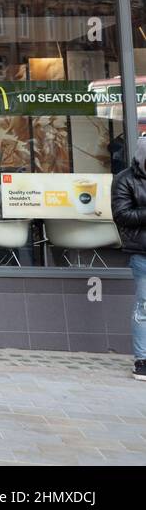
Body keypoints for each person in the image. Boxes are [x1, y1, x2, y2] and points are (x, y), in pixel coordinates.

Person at [111, 136, 146, 381]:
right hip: (143, 252)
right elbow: (122, 215)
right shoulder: (125, 180)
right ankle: (142, 359)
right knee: (144, 307)